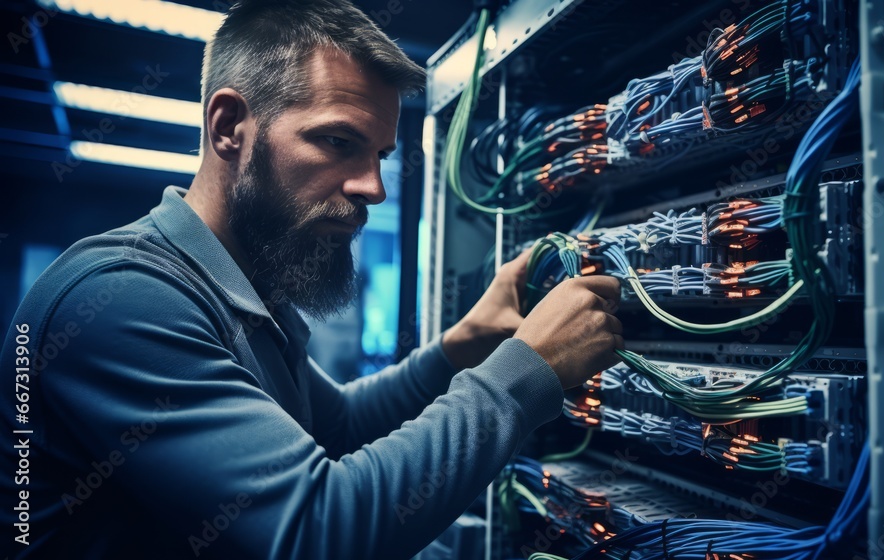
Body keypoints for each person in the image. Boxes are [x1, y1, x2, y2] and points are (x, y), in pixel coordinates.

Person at [0, 0, 624, 558]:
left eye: (379, 155)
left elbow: (341, 425)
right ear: (228, 128)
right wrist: (525, 372)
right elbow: (316, 531)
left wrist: (459, 349)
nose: (373, 188)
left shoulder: (247, 287)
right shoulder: (124, 296)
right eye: (337, 141)